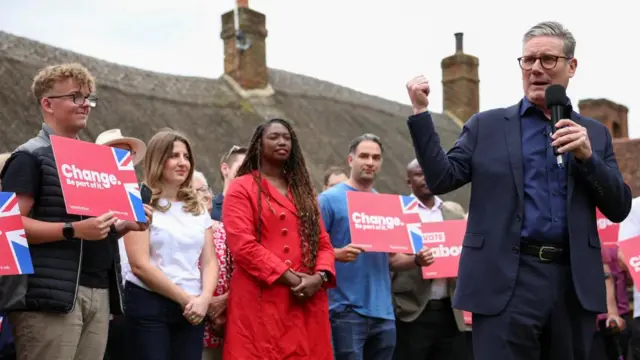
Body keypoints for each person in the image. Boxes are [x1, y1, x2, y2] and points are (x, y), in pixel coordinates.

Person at [405, 21, 632, 360]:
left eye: (548, 60)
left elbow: (619, 207)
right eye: (528, 60)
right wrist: (421, 113)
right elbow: (441, 179)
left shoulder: (594, 135)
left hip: (571, 286)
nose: (536, 68)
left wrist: (587, 158)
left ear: (571, 67)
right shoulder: (487, 127)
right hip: (505, 282)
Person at [0, 63, 150, 360]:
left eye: (88, 98)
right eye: (75, 97)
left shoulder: (98, 161)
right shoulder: (29, 156)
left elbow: (94, 229)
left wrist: (123, 226)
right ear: (48, 104)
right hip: (48, 299)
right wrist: (71, 230)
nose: (85, 105)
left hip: (99, 291)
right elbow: (8, 228)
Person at [222, 118, 337, 360]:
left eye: (287, 137)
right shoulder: (241, 187)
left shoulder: (304, 191)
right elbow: (243, 246)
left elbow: (324, 244)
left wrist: (320, 277)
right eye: (274, 137)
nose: (282, 141)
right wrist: (294, 279)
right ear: (258, 145)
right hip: (262, 300)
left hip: (306, 300)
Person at [318, 134, 435, 360]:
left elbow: (391, 260)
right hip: (344, 311)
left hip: (383, 313)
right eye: (364, 156)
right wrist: (337, 254)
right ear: (350, 160)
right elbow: (307, 250)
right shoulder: (328, 200)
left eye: (376, 157)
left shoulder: (387, 204)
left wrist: (416, 260)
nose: (370, 162)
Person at [123, 130, 219, 360]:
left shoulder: (196, 206)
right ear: (158, 159)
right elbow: (139, 265)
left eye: (186, 157)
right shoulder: (138, 200)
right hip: (150, 303)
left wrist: (204, 300)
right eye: (174, 156)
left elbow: (209, 261)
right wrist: (186, 300)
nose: (182, 162)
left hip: (192, 309)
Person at [391, 159, 467, 360]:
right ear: (409, 181)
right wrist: (416, 260)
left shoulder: (453, 214)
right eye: (419, 174)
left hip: (451, 312)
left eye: (430, 172)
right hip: (412, 310)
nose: (426, 178)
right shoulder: (398, 212)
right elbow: (390, 261)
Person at [94, 129, 147, 360]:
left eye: (128, 154)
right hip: (99, 288)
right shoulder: (87, 193)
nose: (123, 159)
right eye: (115, 153)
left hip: (129, 296)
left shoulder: (140, 195)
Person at [192, 170, 233, 360]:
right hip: (191, 320)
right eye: (199, 191)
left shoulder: (226, 231)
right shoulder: (179, 234)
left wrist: (226, 300)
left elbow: (242, 272)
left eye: (207, 188)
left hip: (225, 325)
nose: (208, 195)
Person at [211, 145, 247, 221]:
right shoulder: (209, 208)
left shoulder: (258, 210)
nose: (247, 174)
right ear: (225, 169)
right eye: (242, 168)